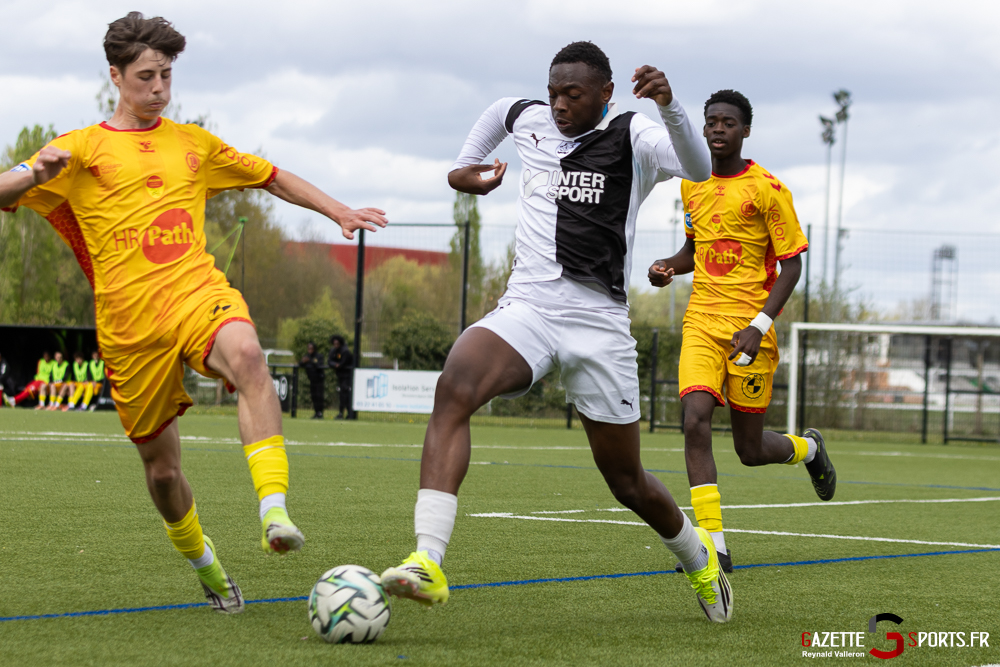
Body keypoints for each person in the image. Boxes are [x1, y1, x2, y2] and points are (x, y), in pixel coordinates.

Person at [0, 13, 387, 613]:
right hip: (130, 329)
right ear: (116, 77)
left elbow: (272, 177)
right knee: (162, 472)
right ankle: (206, 564)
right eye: (147, 77)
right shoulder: (77, 149)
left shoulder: (194, 145)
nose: (159, 89)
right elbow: (7, 188)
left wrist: (336, 210)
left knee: (249, 356)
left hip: (196, 293)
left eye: (167, 76)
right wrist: (34, 175)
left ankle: (274, 512)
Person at [380, 42, 734, 623]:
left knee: (627, 482)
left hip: (599, 324)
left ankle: (698, 558)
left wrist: (671, 106)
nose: (559, 104)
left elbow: (700, 169)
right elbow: (492, 123)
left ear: (606, 94)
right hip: (531, 308)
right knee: (456, 385)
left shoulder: (635, 135)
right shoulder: (528, 117)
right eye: (553, 92)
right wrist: (465, 172)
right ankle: (427, 559)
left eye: (573, 94)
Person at [647, 90, 837, 573]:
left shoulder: (768, 189)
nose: (716, 129)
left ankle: (809, 449)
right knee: (694, 419)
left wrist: (759, 324)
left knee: (749, 451)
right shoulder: (691, 183)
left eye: (727, 122)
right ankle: (712, 543)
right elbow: (694, 249)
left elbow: (792, 267)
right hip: (701, 322)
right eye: (710, 121)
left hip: (751, 330)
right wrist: (668, 266)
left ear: (745, 130)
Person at [328, 335, 354, 420]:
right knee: (342, 395)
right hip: (340, 376)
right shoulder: (333, 351)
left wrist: (338, 364)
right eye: (334, 343)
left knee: (346, 395)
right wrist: (335, 364)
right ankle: (341, 413)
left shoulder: (345, 351)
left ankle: (349, 413)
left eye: (337, 343)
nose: (335, 345)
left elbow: (343, 363)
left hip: (347, 376)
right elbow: (329, 361)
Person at [301, 342, 325, 419]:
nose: (310, 350)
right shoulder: (306, 356)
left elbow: (319, 365)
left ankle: (320, 412)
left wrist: (310, 361)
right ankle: (316, 412)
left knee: (319, 396)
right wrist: (303, 361)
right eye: (308, 348)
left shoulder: (318, 356)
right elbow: (300, 364)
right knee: (314, 396)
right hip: (312, 380)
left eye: (311, 348)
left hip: (319, 380)